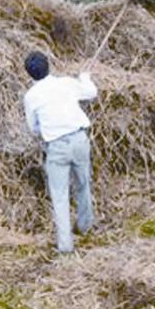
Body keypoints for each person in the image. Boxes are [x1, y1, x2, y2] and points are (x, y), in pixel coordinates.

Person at [23, 51, 98, 253]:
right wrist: (85, 77)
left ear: (29, 74)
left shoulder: (30, 97)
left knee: (59, 195)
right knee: (83, 185)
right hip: (79, 139)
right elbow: (91, 93)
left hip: (56, 147)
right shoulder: (65, 83)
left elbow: (33, 128)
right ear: (49, 66)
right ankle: (85, 226)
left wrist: (48, 130)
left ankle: (65, 246)